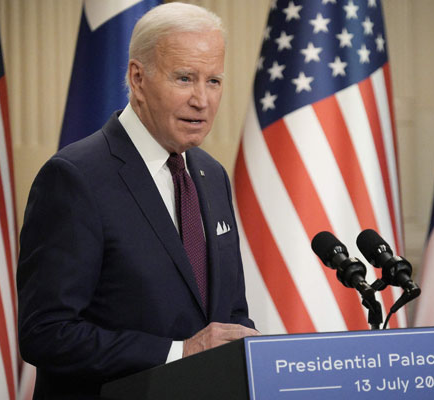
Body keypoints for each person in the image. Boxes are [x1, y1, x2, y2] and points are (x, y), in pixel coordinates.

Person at [16, 3, 258, 397]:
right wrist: (179, 352)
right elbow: (45, 333)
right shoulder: (75, 177)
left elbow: (229, 314)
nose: (202, 99)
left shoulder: (212, 175)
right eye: (184, 78)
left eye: (213, 81)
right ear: (138, 78)